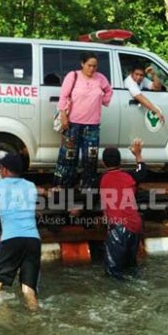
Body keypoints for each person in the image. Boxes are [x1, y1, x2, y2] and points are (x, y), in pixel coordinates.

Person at [0, 154, 41, 310]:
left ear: (5, 170)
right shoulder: (31, 186)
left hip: (11, 240)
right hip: (33, 240)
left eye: (0, 167)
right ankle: (36, 318)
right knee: (28, 290)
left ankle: (5, 321)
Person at [54, 51, 113, 189]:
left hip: (92, 126)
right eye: (89, 65)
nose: (92, 69)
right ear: (82, 64)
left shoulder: (101, 79)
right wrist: (63, 116)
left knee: (90, 158)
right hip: (72, 124)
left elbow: (109, 91)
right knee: (68, 156)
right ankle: (63, 185)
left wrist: (102, 100)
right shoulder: (73, 76)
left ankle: (87, 187)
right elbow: (63, 96)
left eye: (95, 66)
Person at [100, 138, 148, 279]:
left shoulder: (102, 178)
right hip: (135, 226)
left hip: (119, 228)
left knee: (113, 273)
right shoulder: (129, 176)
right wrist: (138, 155)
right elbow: (142, 172)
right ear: (120, 162)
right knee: (130, 268)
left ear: (103, 163)